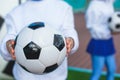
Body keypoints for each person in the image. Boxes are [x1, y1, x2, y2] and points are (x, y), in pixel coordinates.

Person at [0, 0, 79, 80]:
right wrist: (8, 46)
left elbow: (69, 31)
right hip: (24, 77)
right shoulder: (15, 13)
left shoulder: (63, 8)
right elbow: (10, 37)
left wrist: (71, 41)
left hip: (56, 77)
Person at [85, 0, 116, 80]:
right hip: (98, 42)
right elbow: (90, 26)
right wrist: (108, 31)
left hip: (108, 41)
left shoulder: (109, 2)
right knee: (97, 73)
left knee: (112, 69)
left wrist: (114, 30)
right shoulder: (94, 6)